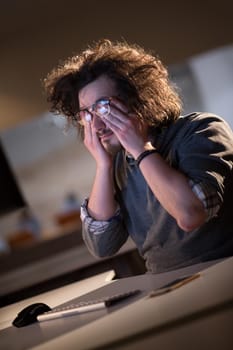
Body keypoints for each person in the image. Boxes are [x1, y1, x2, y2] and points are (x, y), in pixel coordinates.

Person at [44, 39, 233, 273]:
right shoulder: (117, 163)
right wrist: (103, 165)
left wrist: (141, 149)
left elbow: (190, 215)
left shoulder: (201, 129)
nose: (98, 124)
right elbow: (102, 246)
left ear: (139, 99)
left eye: (104, 107)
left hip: (222, 271)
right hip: (165, 285)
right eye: (88, 114)